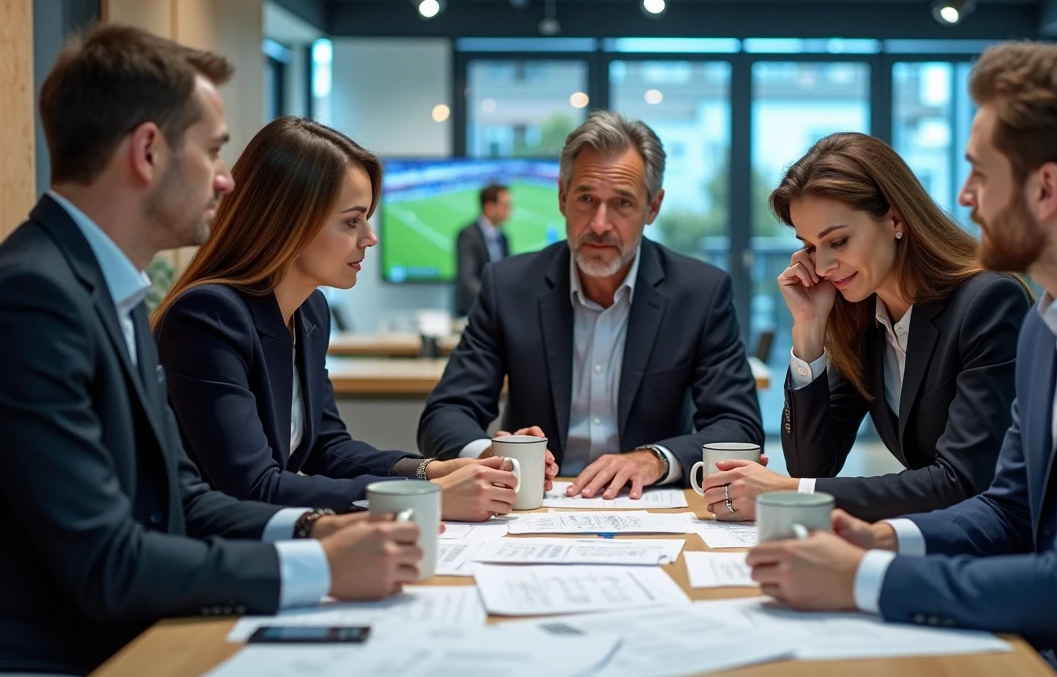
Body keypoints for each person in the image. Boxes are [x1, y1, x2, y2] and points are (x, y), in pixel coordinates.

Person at [746, 42, 1057, 677]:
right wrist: (882, 538)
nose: (963, 198)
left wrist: (864, 579)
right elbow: (1007, 507)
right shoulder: (1050, 321)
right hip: (1052, 662)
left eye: (979, 173)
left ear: (1045, 188)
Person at [0, 25, 422, 677]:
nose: (226, 179)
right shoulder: (36, 299)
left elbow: (183, 498)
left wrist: (317, 527)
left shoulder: (104, 291)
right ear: (148, 151)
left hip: (129, 645)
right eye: (214, 150)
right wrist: (319, 567)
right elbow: (108, 561)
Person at [153, 117, 543, 520]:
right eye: (352, 221)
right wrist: (427, 495)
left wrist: (431, 471)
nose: (370, 237)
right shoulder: (207, 317)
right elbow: (254, 487)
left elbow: (328, 447)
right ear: (290, 222)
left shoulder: (310, 310)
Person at [418, 110, 764, 499]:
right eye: (586, 199)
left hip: (650, 503)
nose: (600, 224)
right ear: (563, 197)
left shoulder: (699, 293)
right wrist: (492, 457)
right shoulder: (509, 286)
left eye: (622, 203)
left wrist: (654, 459)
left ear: (652, 207)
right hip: (536, 503)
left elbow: (739, 426)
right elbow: (446, 413)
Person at [702, 133, 1031, 523]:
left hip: (1000, 542)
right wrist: (809, 329)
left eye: (838, 241)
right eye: (810, 247)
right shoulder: (864, 319)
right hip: (933, 536)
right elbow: (812, 465)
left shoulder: (988, 302)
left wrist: (790, 493)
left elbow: (962, 482)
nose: (822, 266)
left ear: (895, 219)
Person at [455, 183, 512, 316]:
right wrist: (494, 299)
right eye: (505, 206)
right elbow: (467, 280)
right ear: (489, 207)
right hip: (473, 313)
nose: (509, 210)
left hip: (497, 314)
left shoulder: (503, 238)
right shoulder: (468, 235)